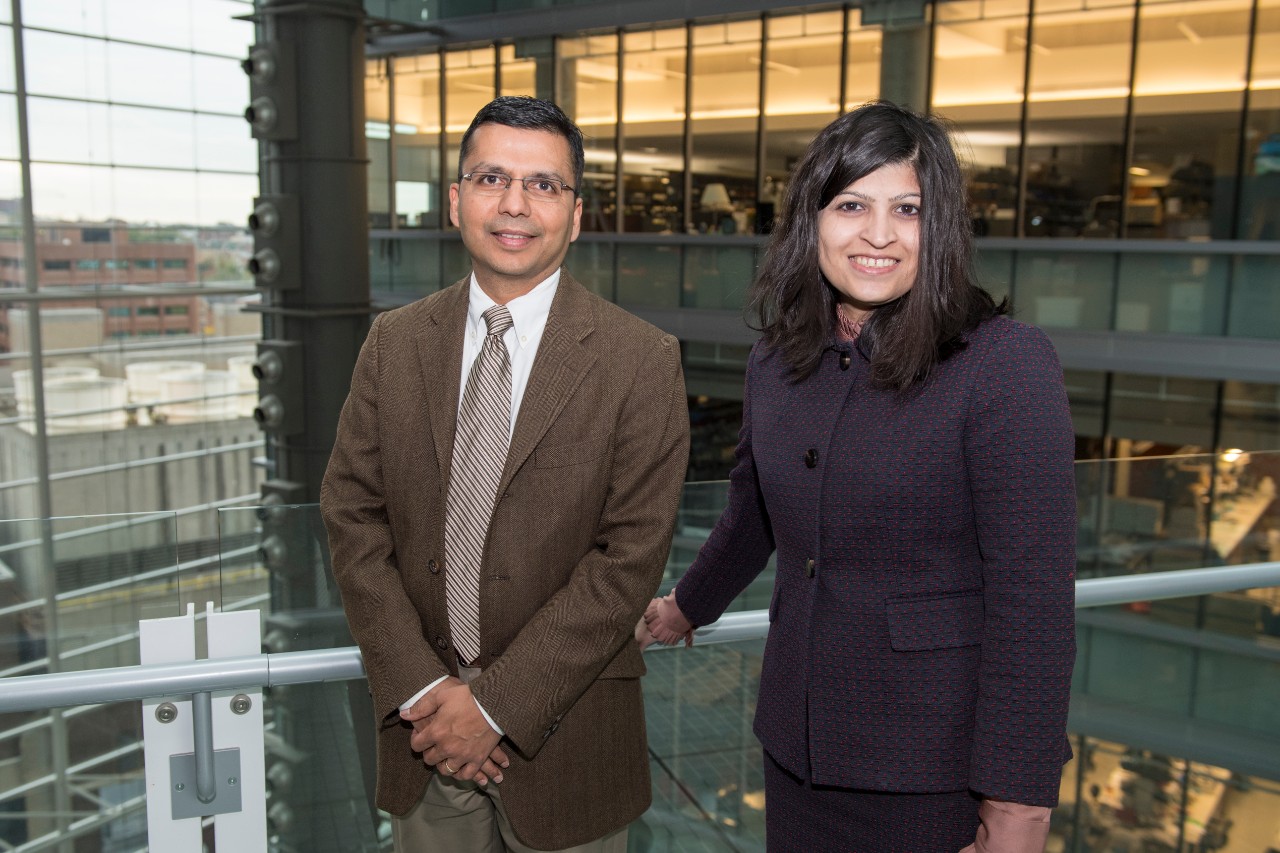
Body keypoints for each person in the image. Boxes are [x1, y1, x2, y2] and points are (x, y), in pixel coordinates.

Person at [642, 101, 1077, 853]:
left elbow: (1033, 602)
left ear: (938, 226)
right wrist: (686, 606)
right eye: (852, 205)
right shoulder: (777, 360)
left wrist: (1019, 807)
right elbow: (754, 514)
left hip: (930, 769)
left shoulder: (1002, 363)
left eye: (907, 209)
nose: (878, 234)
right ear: (811, 218)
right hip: (796, 748)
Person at [322, 96, 690, 853]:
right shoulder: (391, 344)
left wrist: (490, 708)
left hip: (572, 741)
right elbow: (353, 522)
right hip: (424, 742)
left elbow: (628, 562)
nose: (516, 203)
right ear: (456, 200)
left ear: (576, 214)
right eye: (492, 177)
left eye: (544, 184)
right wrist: (430, 696)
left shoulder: (641, 359)